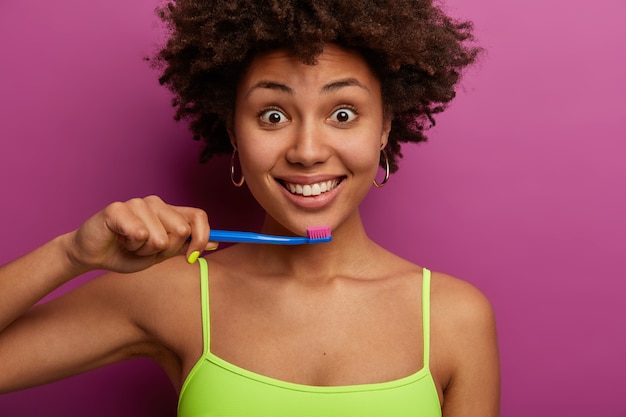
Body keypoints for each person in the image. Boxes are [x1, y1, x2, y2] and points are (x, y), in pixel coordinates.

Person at [0, 0, 500, 415]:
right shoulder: (172, 294)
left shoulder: (454, 317)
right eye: (273, 114)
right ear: (234, 132)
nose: (307, 150)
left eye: (343, 113)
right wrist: (70, 254)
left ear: (385, 127)